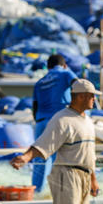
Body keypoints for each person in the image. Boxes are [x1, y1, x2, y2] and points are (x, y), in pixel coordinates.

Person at [10, 79, 101, 204]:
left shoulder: (87, 120)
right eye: (92, 96)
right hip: (67, 175)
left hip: (85, 175)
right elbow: (44, 143)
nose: (95, 99)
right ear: (80, 97)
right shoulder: (62, 119)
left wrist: (93, 179)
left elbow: (90, 154)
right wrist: (25, 157)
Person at [31, 54, 78, 192]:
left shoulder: (39, 82)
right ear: (64, 65)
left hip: (41, 121)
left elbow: (35, 107)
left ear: (48, 67)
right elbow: (78, 85)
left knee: (40, 160)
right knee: (64, 157)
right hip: (60, 119)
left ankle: (36, 192)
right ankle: (63, 192)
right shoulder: (66, 73)